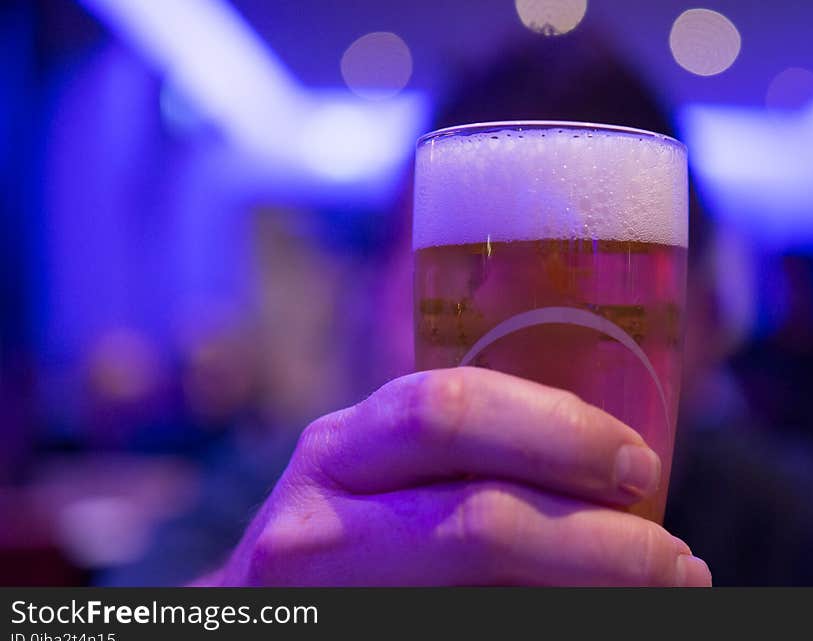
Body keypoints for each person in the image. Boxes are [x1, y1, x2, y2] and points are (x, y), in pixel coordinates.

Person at [186, 29, 713, 587]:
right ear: (393, 291)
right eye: (477, 287)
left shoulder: (788, 529)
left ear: (704, 320)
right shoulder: (299, 514)